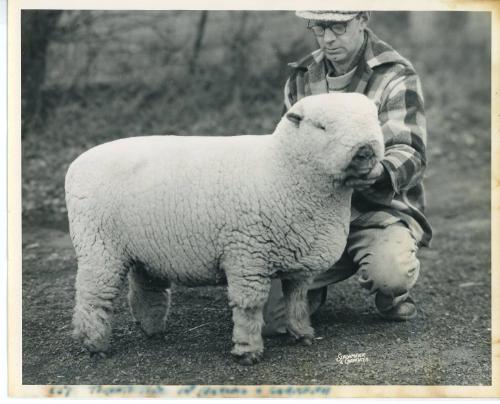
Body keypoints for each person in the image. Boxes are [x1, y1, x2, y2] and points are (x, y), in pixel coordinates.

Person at [263, 10, 433, 336]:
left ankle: (391, 291)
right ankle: (313, 284)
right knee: (275, 324)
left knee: (390, 272)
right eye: (319, 27)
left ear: (362, 20)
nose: (328, 39)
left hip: (376, 211)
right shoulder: (302, 76)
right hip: (316, 217)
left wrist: (379, 173)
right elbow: (285, 149)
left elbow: (410, 150)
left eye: (338, 27)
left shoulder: (395, 74)